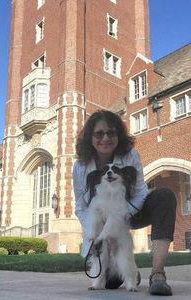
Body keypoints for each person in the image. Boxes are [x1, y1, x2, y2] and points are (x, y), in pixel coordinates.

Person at [73, 110, 177, 296]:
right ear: (90, 137)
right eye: (99, 133)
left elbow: (141, 193)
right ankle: (130, 273)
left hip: (132, 211)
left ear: (118, 136)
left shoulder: (131, 155)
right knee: (112, 282)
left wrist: (120, 215)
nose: (105, 138)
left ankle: (158, 274)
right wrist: (93, 235)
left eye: (111, 133)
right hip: (101, 218)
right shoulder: (80, 166)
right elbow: (81, 206)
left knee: (164, 196)